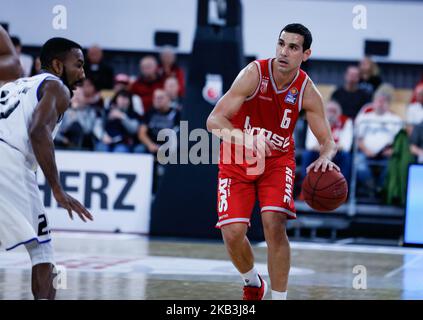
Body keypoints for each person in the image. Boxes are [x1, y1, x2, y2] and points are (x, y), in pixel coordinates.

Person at [206, 23, 339, 300]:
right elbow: (214, 120)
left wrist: (325, 158)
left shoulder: (307, 90)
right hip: (237, 158)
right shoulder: (254, 74)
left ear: (306, 54)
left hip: (277, 162)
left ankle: (279, 298)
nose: (284, 51)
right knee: (232, 233)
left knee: (274, 223)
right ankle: (253, 283)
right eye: (281, 44)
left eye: (292, 47)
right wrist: (246, 139)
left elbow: (327, 141)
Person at [0, 37, 93, 299]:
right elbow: (38, 130)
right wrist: (57, 189)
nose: (83, 73)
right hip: (8, 158)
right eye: (78, 65)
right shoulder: (57, 88)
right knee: (42, 250)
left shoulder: (17, 84)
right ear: (57, 64)